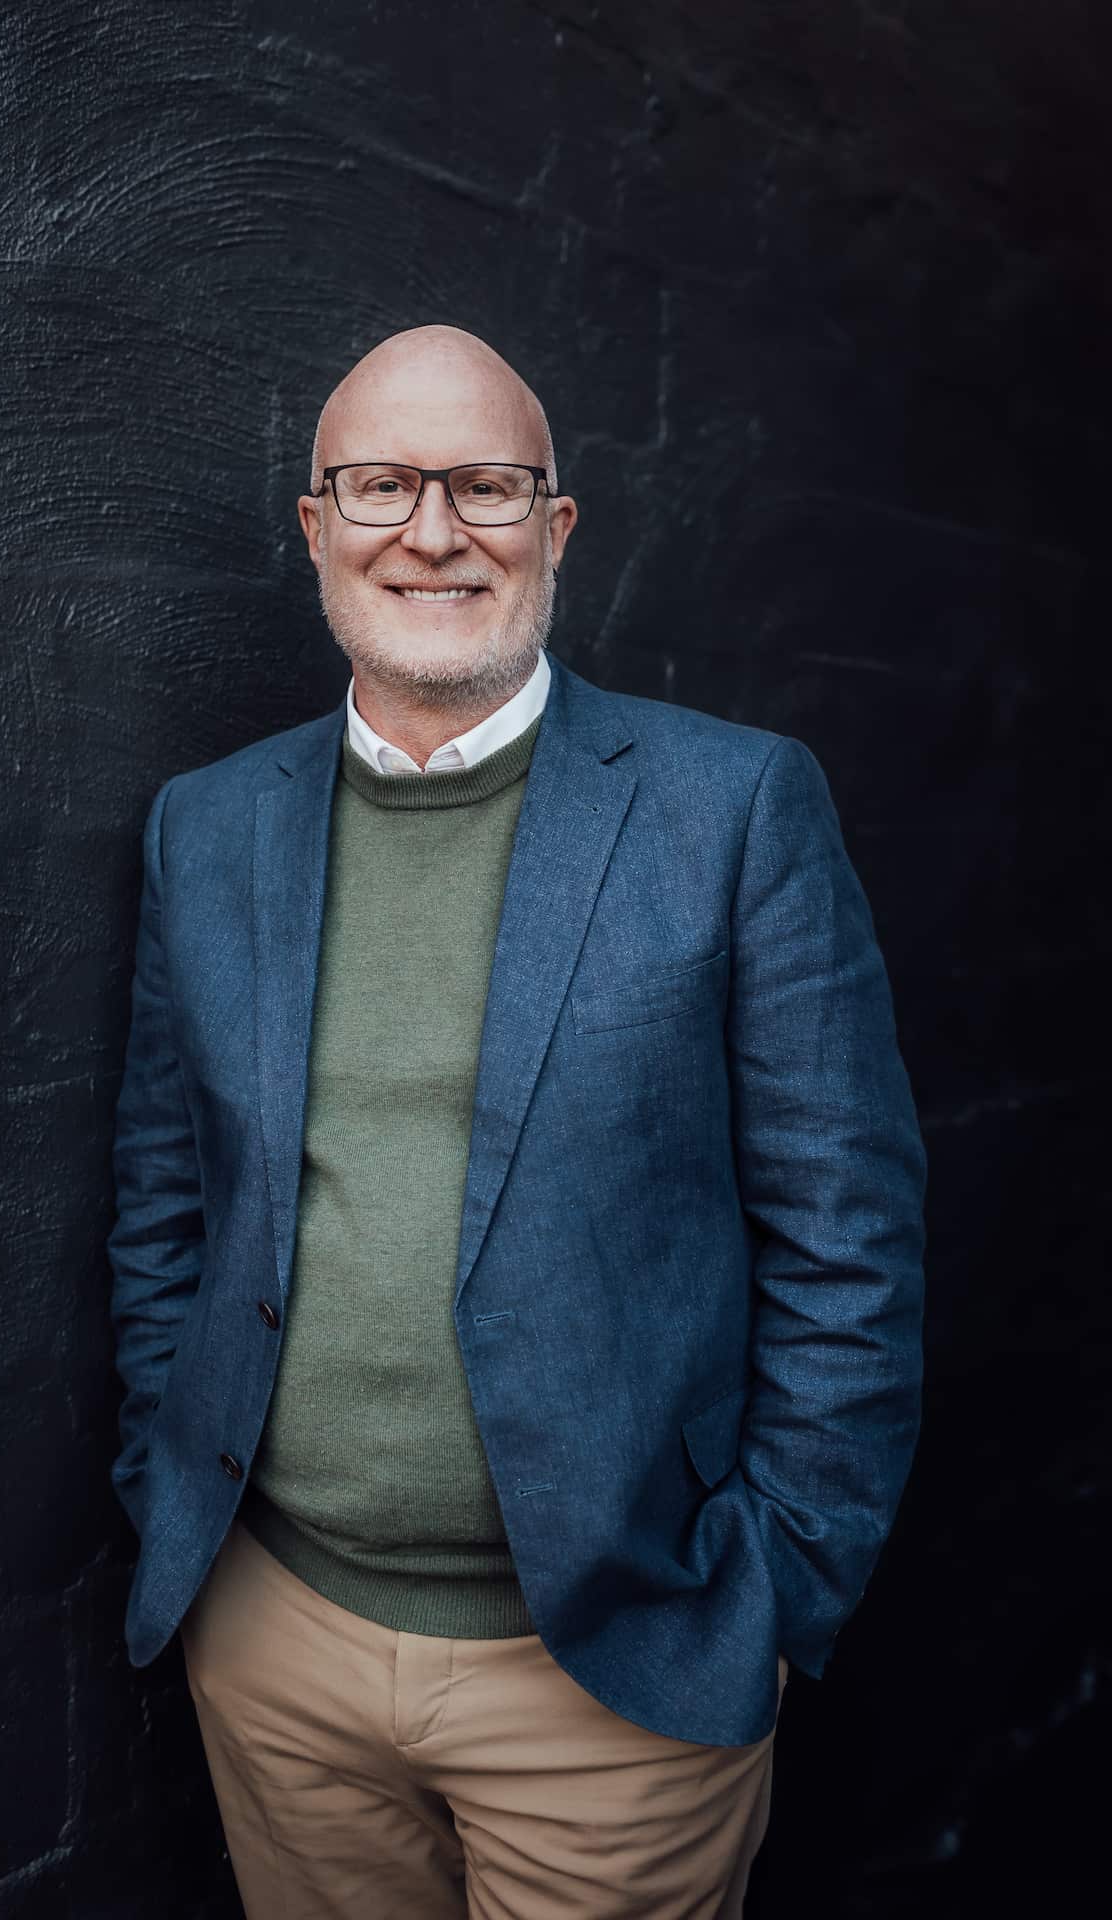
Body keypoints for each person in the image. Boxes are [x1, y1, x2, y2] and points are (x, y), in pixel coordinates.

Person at [106, 324, 926, 1918]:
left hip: (617, 1669)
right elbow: (162, 1203)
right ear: (315, 525)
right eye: (382, 487)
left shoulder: (733, 807)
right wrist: (170, 1491)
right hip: (277, 1645)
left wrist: (770, 1593)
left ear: (554, 526)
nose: (432, 531)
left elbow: (853, 1236)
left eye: (485, 486)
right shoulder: (203, 827)